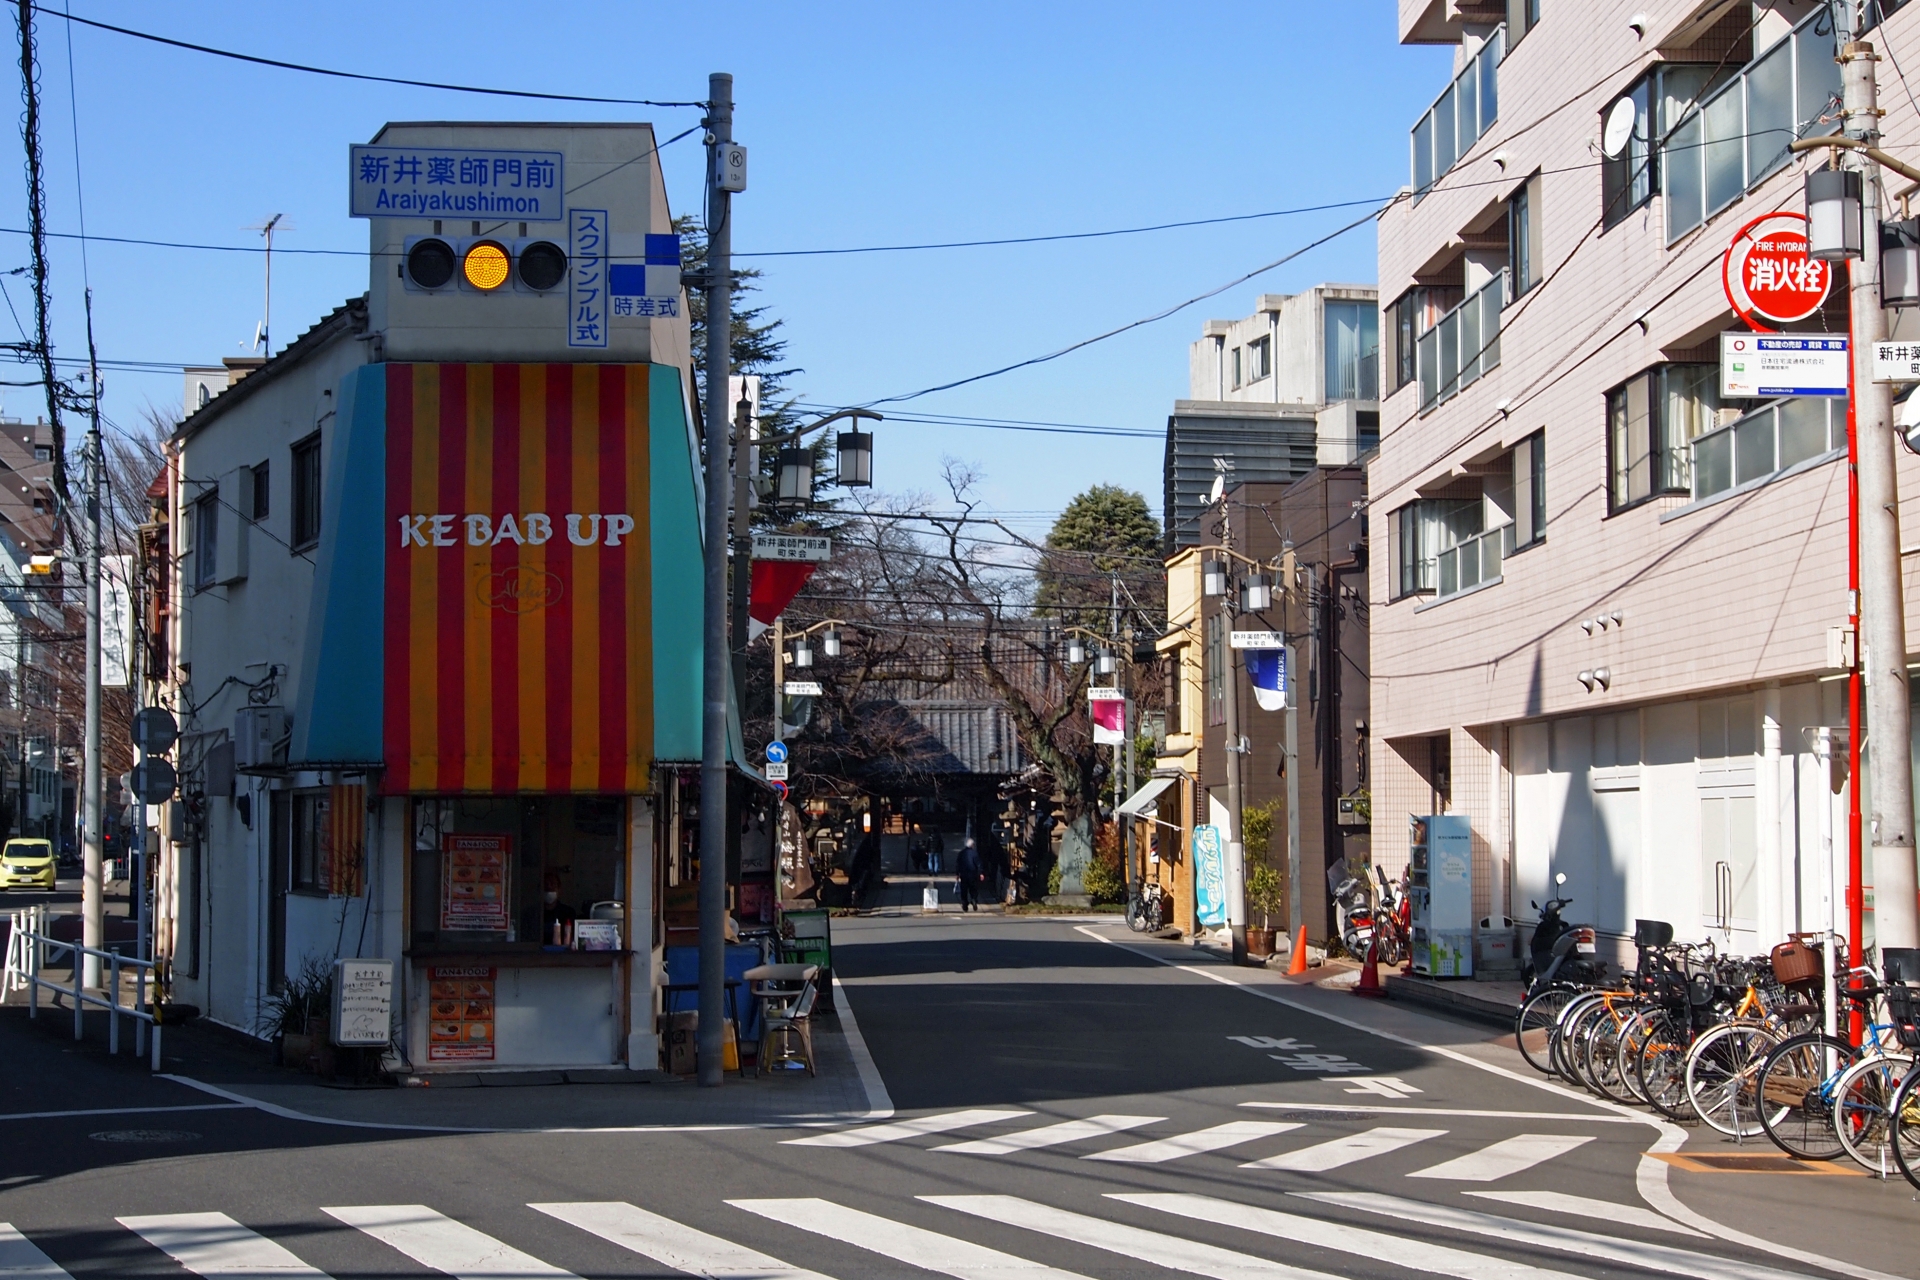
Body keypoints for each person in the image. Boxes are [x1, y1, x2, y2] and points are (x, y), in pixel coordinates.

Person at [540, 872, 577, 945]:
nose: (549, 887)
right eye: (546, 885)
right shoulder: (531, 913)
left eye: (553, 884)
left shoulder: (568, 912)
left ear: (559, 890)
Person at [955, 837, 982, 912]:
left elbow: (958, 864)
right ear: (972, 845)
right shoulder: (975, 853)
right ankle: (974, 900)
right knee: (973, 889)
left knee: (964, 890)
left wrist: (957, 873)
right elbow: (978, 864)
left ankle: (964, 903)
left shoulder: (961, 853)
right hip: (973, 874)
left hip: (963, 874)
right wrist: (981, 873)